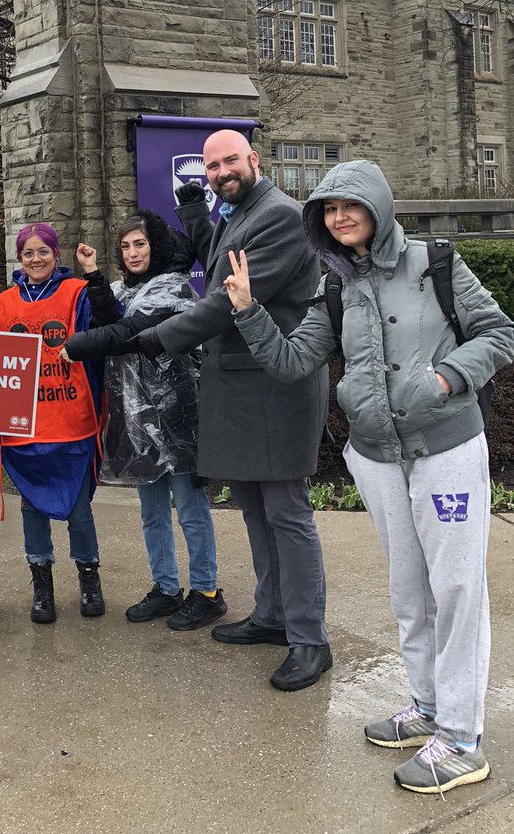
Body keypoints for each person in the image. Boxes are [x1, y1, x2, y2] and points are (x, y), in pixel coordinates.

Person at [224, 159, 514, 794]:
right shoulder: (335, 287)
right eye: (327, 210)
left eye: (349, 205)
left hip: (446, 451)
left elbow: (499, 332)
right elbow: (293, 359)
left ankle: (462, 739)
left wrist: (444, 378)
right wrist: (248, 312)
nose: (339, 217)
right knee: (411, 591)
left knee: (457, 590)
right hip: (378, 456)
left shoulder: (434, 263)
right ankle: (429, 708)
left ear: (378, 206)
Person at [133, 129, 331, 691]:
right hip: (242, 390)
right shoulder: (238, 212)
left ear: (254, 160)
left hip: (276, 388)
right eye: (212, 165)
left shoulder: (282, 216)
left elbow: (227, 301)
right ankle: (272, 616)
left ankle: (309, 638)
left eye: (230, 162)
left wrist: (158, 336)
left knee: (287, 515)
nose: (221, 172)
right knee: (253, 509)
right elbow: (218, 264)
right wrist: (196, 216)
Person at [62, 210, 226, 631]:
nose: (133, 253)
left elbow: (127, 331)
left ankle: (206, 591)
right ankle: (166, 588)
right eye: (126, 246)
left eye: (141, 244)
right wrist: (94, 274)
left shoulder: (172, 290)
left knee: (190, 508)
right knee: (152, 511)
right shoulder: (121, 288)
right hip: (136, 417)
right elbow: (108, 315)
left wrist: (78, 346)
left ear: (156, 246)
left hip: (178, 415)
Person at [0, 222, 105, 624]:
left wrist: (92, 274)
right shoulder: (2, 303)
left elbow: (107, 327)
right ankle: (42, 583)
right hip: (24, 425)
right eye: (28, 253)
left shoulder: (76, 293)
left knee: (79, 510)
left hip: (71, 419)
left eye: (43, 251)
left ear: (57, 255)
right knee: (32, 510)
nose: (35, 259)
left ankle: (89, 577)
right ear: (18, 258)